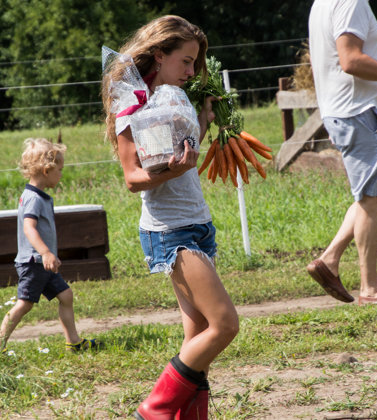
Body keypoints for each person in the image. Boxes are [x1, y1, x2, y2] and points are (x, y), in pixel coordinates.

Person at [101, 15, 239, 420]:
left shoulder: (173, 101)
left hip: (199, 224)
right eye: (186, 61)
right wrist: (173, 171)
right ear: (159, 55)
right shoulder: (132, 105)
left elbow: (177, 153)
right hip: (170, 232)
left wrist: (204, 121)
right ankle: (154, 409)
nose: (192, 72)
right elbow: (133, 179)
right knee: (225, 324)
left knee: (199, 339)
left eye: (195, 63)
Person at [306, 0, 377, 305]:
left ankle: (329, 259)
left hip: (346, 111)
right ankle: (370, 289)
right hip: (357, 113)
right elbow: (351, 60)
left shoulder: (323, 3)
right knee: (371, 198)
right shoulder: (350, 2)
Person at [0, 138, 99, 353]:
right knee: (24, 304)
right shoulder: (33, 198)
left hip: (43, 263)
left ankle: (73, 342)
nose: (61, 175)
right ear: (46, 170)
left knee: (66, 295)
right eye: (59, 170)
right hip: (34, 262)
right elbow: (29, 228)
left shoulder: (39, 196)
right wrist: (45, 252)